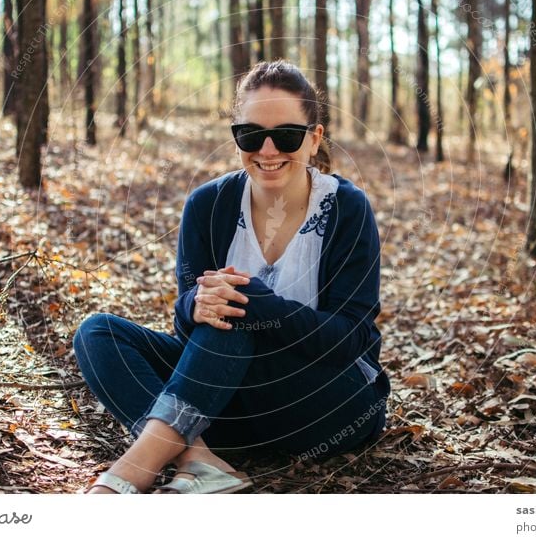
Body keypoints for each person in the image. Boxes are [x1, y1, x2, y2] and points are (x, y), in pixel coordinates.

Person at [73, 60, 390, 494]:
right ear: (236, 137)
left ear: (314, 139)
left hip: (326, 405)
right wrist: (195, 305)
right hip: (229, 408)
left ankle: (135, 470)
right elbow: (190, 331)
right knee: (98, 333)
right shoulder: (208, 205)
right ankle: (198, 456)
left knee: (236, 308)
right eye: (251, 134)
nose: (268, 149)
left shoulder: (347, 209)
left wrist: (261, 307)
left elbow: (351, 340)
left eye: (288, 135)